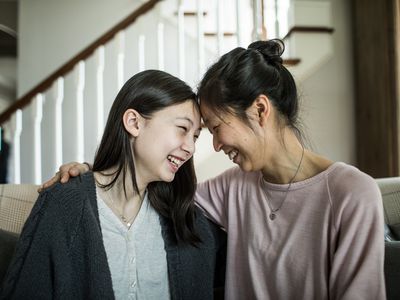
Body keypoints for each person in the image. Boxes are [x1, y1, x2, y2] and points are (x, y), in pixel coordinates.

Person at [40, 39, 386, 300]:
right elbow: (143, 188)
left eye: (215, 128)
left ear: (260, 110)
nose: (214, 146)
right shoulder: (232, 188)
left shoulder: (352, 193)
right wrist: (93, 173)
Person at [0, 70, 226, 300]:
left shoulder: (186, 216)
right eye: (182, 129)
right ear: (133, 122)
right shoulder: (64, 203)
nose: (191, 147)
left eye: (195, 136)